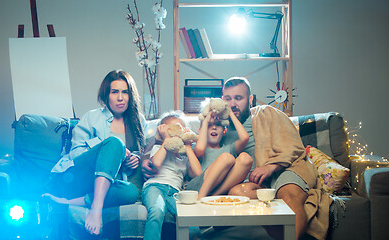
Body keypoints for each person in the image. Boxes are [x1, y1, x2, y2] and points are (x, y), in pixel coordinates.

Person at [221, 77, 331, 240]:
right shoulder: (220, 126)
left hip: (284, 169)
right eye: (228, 99)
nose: (233, 104)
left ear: (250, 100)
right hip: (255, 180)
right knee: (237, 193)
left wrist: (271, 166)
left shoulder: (267, 113)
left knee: (287, 195)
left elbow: (294, 146)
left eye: (238, 98)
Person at [43, 70, 146, 235]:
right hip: (75, 178)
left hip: (105, 185)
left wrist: (134, 158)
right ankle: (95, 210)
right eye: (115, 92)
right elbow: (76, 154)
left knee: (131, 192)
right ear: (106, 95)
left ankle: (70, 202)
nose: (120, 97)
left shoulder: (138, 121)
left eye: (125, 92)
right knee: (114, 143)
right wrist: (113, 149)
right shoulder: (92, 117)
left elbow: (142, 152)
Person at [141, 111, 202, 240]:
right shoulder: (159, 148)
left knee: (189, 219)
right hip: (154, 187)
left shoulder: (184, 157)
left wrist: (188, 146)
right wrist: (166, 140)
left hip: (174, 192)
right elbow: (156, 163)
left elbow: (198, 174)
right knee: (157, 211)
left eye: (181, 129)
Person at [184, 103, 253, 199]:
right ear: (201, 131)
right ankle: (201, 198)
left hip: (219, 189)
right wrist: (205, 120)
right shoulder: (196, 148)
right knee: (226, 157)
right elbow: (200, 149)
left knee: (246, 158)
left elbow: (245, 138)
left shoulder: (229, 148)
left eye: (218, 125)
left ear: (224, 131)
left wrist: (230, 113)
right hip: (197, 187)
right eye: (209, 125)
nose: (214, 127)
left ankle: (213, 196)